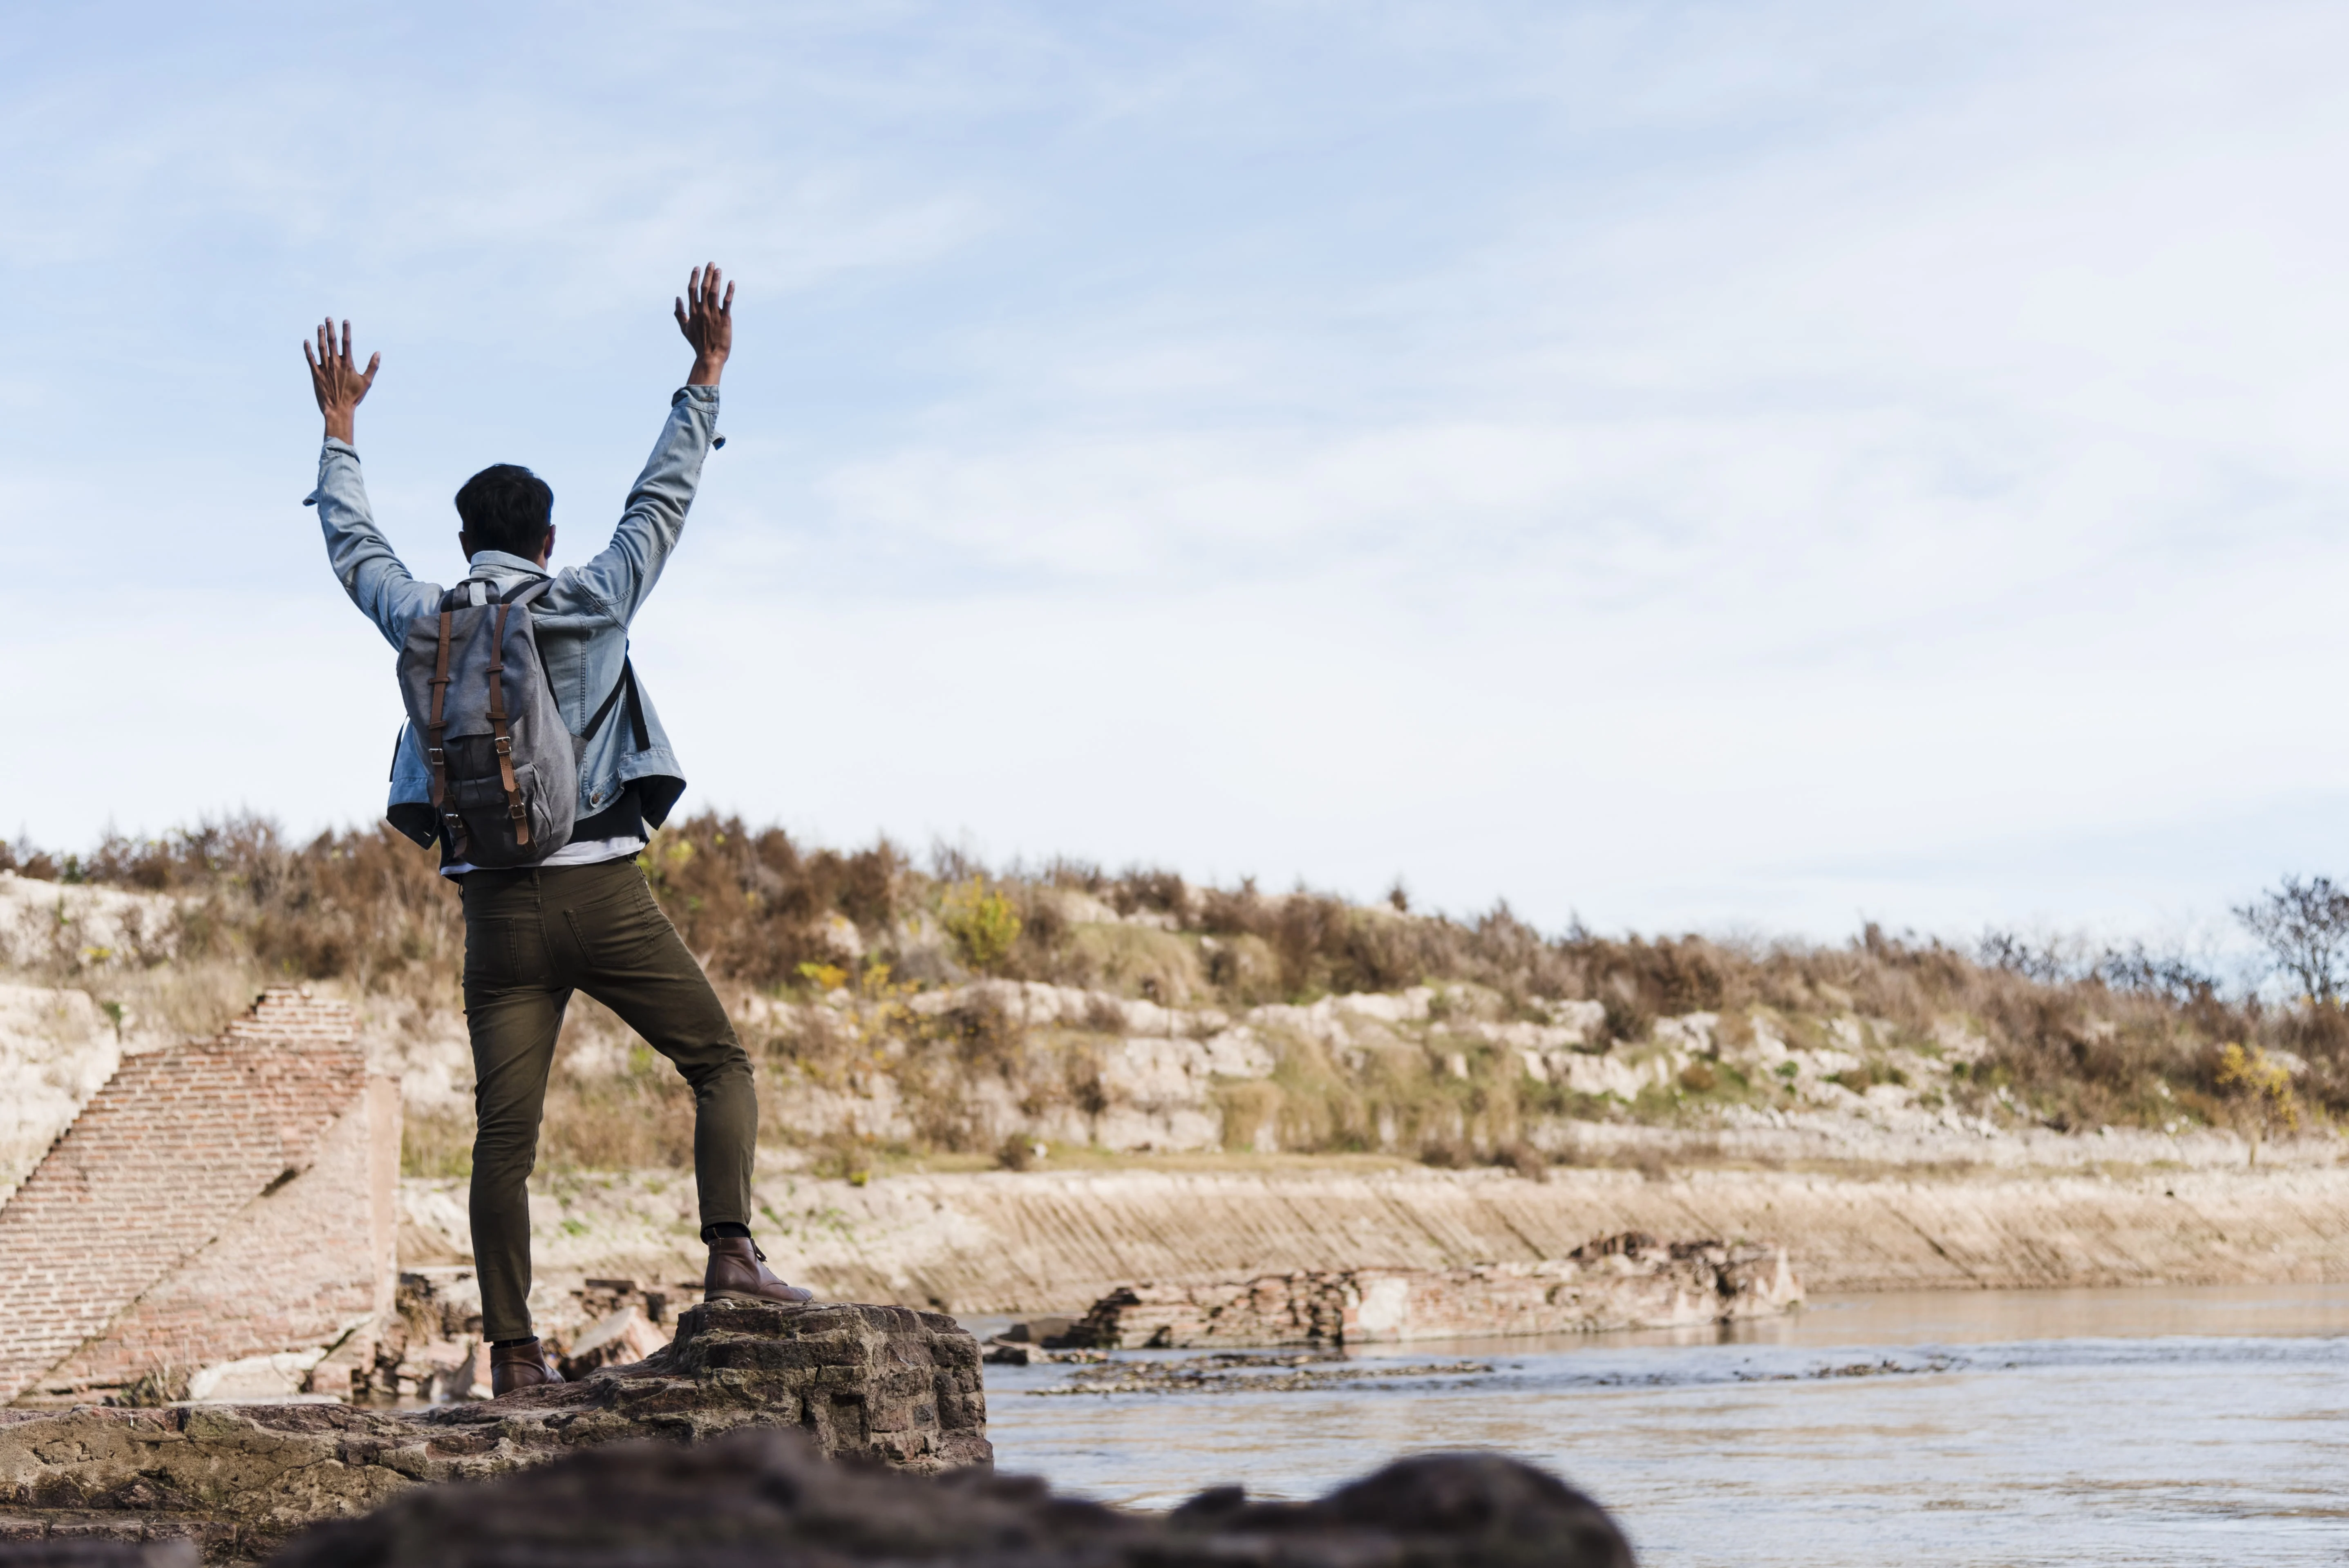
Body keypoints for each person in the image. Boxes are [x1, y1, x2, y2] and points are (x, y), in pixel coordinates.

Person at [303, 264, 812, 1396]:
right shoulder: (586, 598)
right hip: (605, 894)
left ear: (466, 536)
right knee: (718, 1060)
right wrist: (706, 369)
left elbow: (353, 550)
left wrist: (340, 431)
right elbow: (661, 502)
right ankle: (730, 1252)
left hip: (495, 914)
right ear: (542, 538)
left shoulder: (425, 617)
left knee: (503, 1141)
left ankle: (519, 1361)